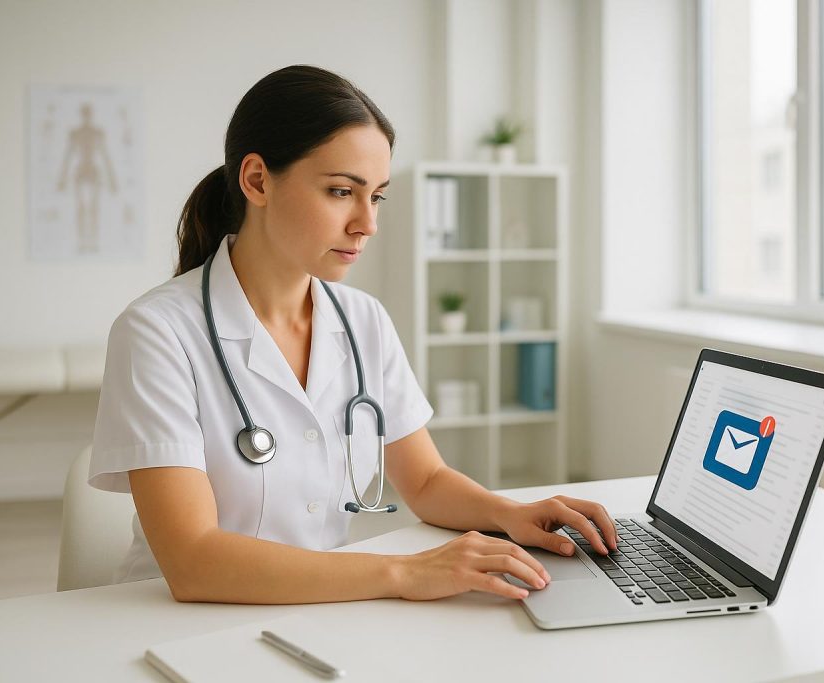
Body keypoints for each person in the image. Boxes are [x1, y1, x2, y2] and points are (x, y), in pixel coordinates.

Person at [88, 65, 618, 605]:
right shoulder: (158, 332)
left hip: (319, 608)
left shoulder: (363, 320)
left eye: (378, 197)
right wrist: (406, 572)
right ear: (256, 180)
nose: (367, 223)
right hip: (173, 624)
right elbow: (194, 562)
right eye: (342, 191)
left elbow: (427, 480)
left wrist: (510, 513)